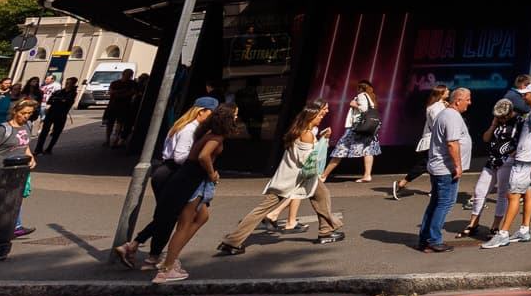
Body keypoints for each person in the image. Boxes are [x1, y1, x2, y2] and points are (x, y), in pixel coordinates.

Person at [214, 101, 343, 253]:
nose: (321, 118)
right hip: (293, 180)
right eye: (319, 115)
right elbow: (308, 160)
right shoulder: (306, 134)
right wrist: (324, 141)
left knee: (322, 195)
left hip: (291, 178)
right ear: (311, 116)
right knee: (261, 211)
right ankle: (232, 242)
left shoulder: (298, 130)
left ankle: (326, 231)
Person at [114, 97, 217, 270]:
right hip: (172, 173)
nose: (213, 118)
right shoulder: (189, 129)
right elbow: (179, 156)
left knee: (168, 216)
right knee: (168, 217)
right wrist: (200, 160)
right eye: (211, 113)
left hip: (166, 172)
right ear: (201, 112)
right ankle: (142, 251)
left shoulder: (181, 125)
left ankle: (145, 251)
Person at [153, 104, 238, 283]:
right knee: (185, 224)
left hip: (189, 178)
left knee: (202, 217)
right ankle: (167, 268)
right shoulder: (217, 136)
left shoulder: (207, 133)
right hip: (192, 180)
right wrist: (212, 173)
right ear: (227, 119)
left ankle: (171, 257)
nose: (237, 118)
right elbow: (203, 156)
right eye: (235, 115)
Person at [482, 83, 531, 249]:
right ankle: (524, 230)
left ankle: (503, 234)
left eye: (526, 94)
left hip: (525, 161)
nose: (523, 97)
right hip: (528, 159)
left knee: (512, 195)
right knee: (528, 193)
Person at [414, 88, 471, 253]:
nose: (469, 102)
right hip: (446, 169)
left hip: (440, 167)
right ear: (458, 100)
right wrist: (458, 166)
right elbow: (452, 143)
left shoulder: (446, 114)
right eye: (467, 99)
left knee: (436, 203)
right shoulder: (452, 116)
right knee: (445, 203)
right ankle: (434, 240)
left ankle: (425, 239)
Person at [460, 98, 519, 240]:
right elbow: (486, 138)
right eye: (499, 117)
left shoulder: (519, 121)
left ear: (510, 112)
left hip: (507, 161)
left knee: (501, 194)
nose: (501, 119)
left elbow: (521, 142)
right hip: (492, 160)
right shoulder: (497, 121)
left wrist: (511, 155)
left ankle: (495, 226)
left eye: (503, 117)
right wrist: (493, 125)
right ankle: (473, 224)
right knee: (479, 190)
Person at [389, 85, 450, 200]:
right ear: (441, 93)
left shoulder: (438, 106)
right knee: (426, 164)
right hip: (434, 140)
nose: (449, 92)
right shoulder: (437, 107)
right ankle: (401, 183)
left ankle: (435, 190)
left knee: (433, 164)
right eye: (446, 90)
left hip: (433, 140)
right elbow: (438, 124)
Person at [0, 96, 38, 255]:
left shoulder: (27, 126)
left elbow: (25, 144)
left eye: (29, 113)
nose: (26, 116)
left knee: (14, 200)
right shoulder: (3, 130)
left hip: (19, 171)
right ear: (15, 111)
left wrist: (31, 157)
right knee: (2, 204)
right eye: (24, 113)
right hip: (1, 171)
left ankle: (14, 227)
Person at [322, 79, 382, 183]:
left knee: (340, 150)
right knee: (368, 150)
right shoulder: (371, 97)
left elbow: (364, 109)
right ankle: (367, 175)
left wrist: (354, 104)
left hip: (356, 128)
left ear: (360, 88)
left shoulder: (362, 95)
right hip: (368, 128)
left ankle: (323, 175)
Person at [35, 77, 79, 155]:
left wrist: (58, 100)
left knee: (56, 133)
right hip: (51, 113)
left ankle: (49, 148)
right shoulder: (59, 92)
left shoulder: (73, 93)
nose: (67, 84)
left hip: (61, 115)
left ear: (73, 84)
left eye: (69, 83)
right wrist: (59, 100)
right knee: (44, 131)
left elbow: (67, 102)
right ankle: (38, 149)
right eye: (67, 82)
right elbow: (50, 100)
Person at [102, 69, 138, 147]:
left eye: (129, 75)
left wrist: (117, 92)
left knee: (119, 123)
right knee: (110, 123)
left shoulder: (132, 83)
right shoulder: (115, 83)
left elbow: (132, 92)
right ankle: (108, 139)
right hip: (114, 106)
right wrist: (124, 92)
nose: (128, 76)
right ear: (123, 74)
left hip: (123, 107)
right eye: (127, 74)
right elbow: (111, 92)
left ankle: (115, 140)